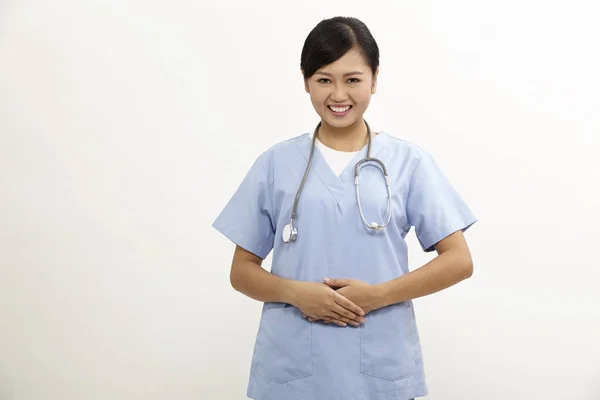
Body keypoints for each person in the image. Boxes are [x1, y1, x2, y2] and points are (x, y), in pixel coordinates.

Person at [212, 16, 477, 400]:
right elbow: (241, 272)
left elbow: (459, 261)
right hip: (293, 370)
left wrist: (380, 295)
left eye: (352, 79)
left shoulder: (408, 163)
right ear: (306, 81)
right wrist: (295, 293)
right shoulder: (276, 164)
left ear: (374, 78)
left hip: (378, 367)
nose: (338, 95)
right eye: (324, 79)